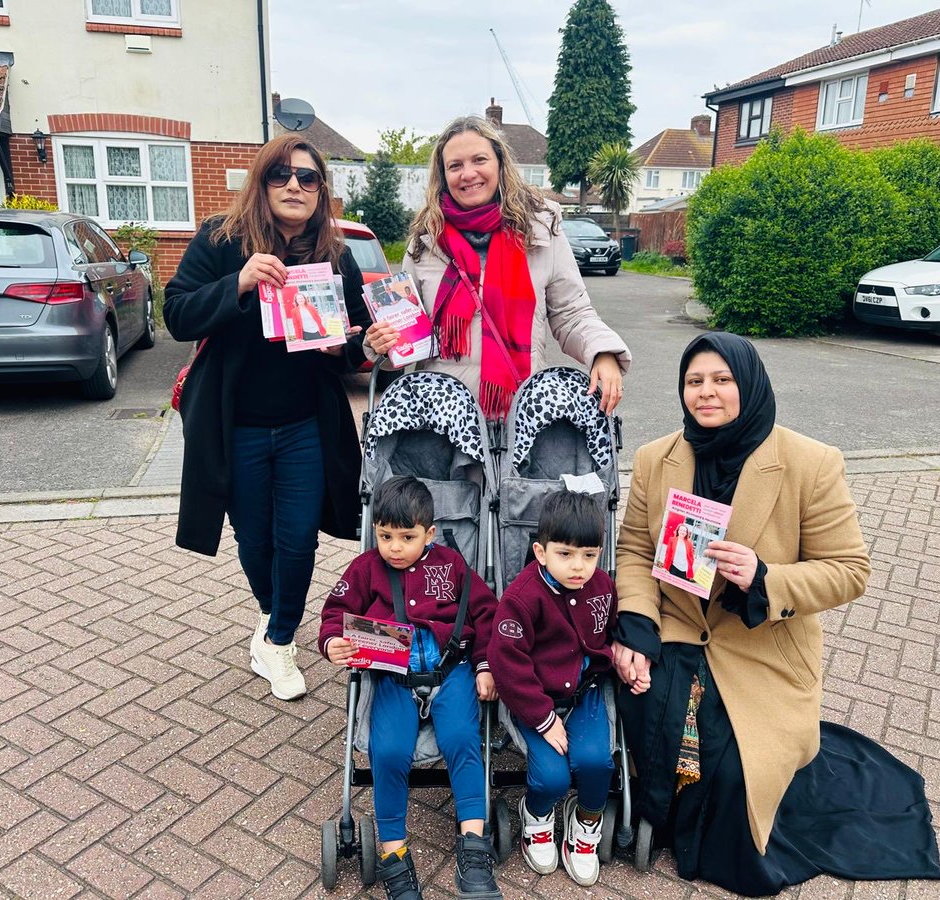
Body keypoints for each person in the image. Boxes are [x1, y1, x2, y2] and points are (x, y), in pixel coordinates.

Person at [610, 332, 940, 896]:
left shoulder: (809, 463)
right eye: (695, 382)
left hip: (760, 644)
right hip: (675, 631)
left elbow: (849, 570)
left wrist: (766, 577)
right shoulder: (655, 458)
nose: (706, 393)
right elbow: (636, 552)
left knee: (735, 770)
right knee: (647, 720)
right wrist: (637, 629)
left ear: (751, 383)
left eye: (722, 380)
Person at [163, 136, 370, 703]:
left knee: (298, 538)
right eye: (282, 175)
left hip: (306, 422)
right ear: (262, 181)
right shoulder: (220, 239)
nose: (295, 187)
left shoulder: (336, 252)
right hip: (236, 427)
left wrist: (347, 349)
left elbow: (355, 335)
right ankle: (270, 615)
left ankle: (279, 640)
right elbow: (177, 312)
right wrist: (239, 282)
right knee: (254, 539)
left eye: (308, 178)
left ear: (322, 191)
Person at [364, 115, 630, 420]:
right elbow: (407, 334)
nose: (468, 174)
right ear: (443, 175)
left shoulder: (540, 230)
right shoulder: (426, 241)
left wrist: (604, 351)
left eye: (479, 160)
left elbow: (571, 312)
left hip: (521, 416)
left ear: (500, 164)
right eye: (455, 165)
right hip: (442, 418)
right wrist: (380, 344)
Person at [319, 476, 502, 900]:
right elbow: (335, 612)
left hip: (450, 668)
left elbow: (486, 611)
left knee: (461, 738)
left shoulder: (451, 565)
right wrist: (333, 642)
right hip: (392, 676)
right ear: (374, 531)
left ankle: (473, 847)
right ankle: (394, 854)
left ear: (430, 534)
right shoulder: (365, 569)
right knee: (389, 750)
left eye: (407, 537)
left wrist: (485, 665)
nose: (395, 547)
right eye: (385, 536)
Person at [489, 490, 633, 888]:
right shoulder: (523, 597)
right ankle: (535, 815)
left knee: (597, 763)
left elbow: (609, 629)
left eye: (589, 555)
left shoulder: (602, 586)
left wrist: (623, 651)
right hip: (538, 699)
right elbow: (507, 661)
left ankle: (585, 822)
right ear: (541, 551)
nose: (579, 567)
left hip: (584, 692)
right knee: (550, 777)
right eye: (566, 554)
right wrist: (541, 716)